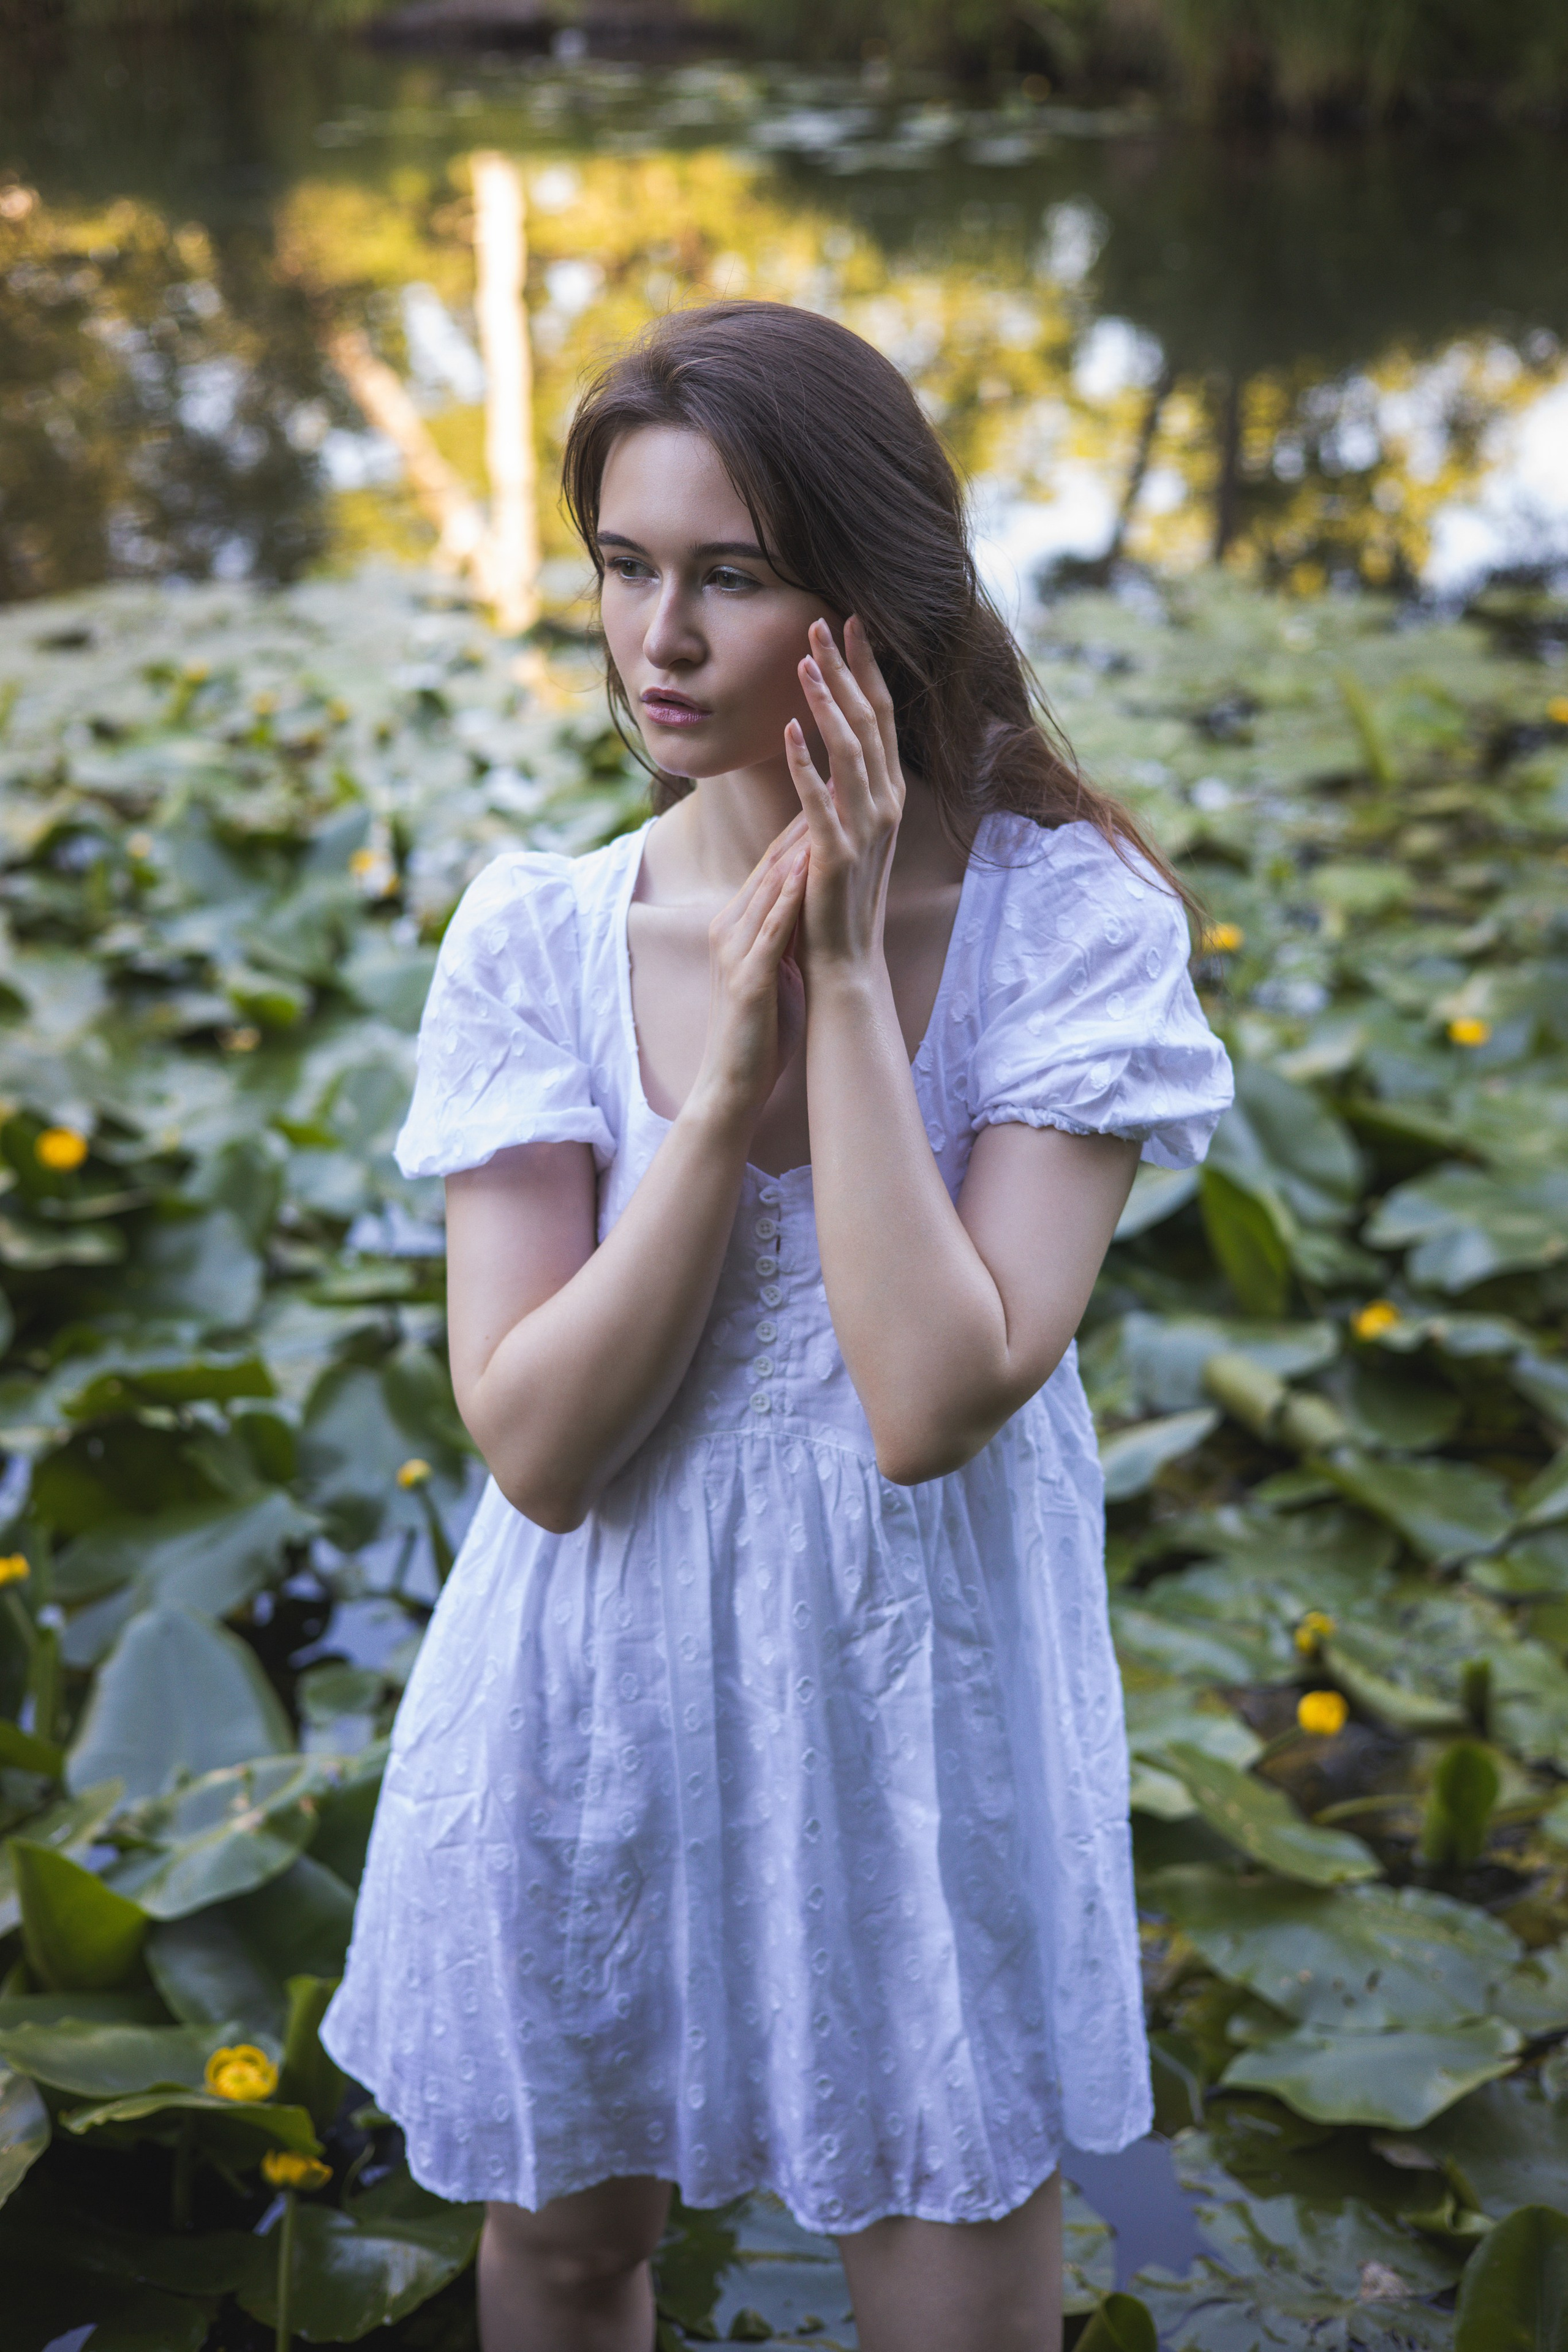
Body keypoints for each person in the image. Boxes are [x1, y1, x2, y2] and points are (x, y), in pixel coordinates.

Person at [323, 300, 1232, 2352]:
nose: (659, 640)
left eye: (730, 578)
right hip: (595, 1698)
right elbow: (539, 1449)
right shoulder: (535, 938)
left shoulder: (1065, 922)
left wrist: (828, 986)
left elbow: (931, 1399)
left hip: (925, 1713)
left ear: (868, 602)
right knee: (564, 2256)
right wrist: (717, 1096)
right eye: (625, 569)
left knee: (958, 2298)